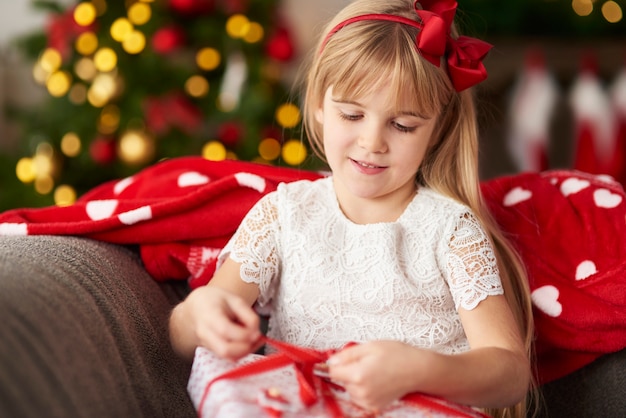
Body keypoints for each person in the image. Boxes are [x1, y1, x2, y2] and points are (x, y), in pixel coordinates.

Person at [169, 0, 535, 416]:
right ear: (321, 106)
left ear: (437, 129)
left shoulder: (450, 230)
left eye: (403, 125)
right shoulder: (285, 216)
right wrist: (201, 314)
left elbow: (509, 372)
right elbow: (185, 333)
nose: (372, 142)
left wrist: (421, 369)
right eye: (352, 114)